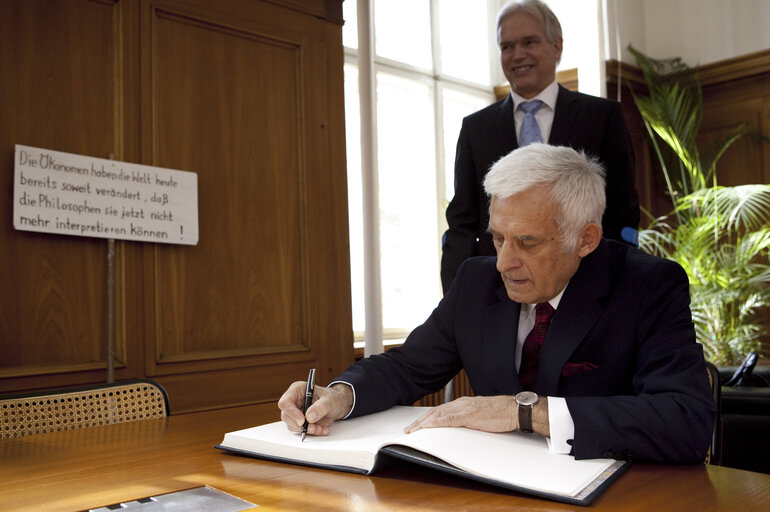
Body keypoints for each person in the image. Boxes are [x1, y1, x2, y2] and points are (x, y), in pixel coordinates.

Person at [279, 144, 715, 464]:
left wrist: (523, 412)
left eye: (526, 242)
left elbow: (686, 421)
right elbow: (407, 367)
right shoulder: (476, 280)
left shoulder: (647, 286)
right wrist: (337, 395)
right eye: (498, 237)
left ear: (585, 240)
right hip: (490, 484)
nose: (504, 262)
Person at [440, 0, 640, 292]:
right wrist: (456, 295)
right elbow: (462, 222)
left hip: (584, 288)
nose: (517, 54)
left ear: (557, 46)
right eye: (506, 46)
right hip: (498, 291)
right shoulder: (476, 128)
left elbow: (622, 210)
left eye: (529, 42)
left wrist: (610, 286)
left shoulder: (601, 117)